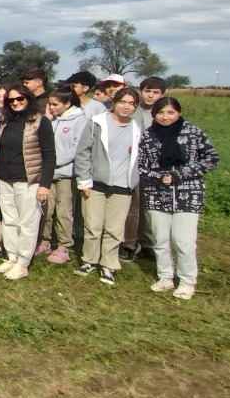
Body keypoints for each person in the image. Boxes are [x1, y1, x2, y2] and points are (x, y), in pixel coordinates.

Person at [138, 97, 219, 300]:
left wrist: (181, 174)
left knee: (183, 241)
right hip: (157, 193)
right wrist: (158, 177)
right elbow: (140, 165)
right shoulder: (148, 136)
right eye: (161, 113)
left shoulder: (193, 132)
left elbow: (211, 158)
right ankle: (165, 276)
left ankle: (187, 281)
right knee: (160, 238)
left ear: (179, 113)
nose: (165, 117)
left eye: (170, 113)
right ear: (154, 114)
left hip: (188, 193)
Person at [0, 84, 55, 281]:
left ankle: (23, 262)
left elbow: (49, 155)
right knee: (9, 220)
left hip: (28, 180)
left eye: (19, 99)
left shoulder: (40, 122)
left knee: (27, 222)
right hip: (5, 178)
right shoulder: (5, 120)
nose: (15, 103)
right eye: (11, 100)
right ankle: (11, 257)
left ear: (28, 99)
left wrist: (44, 184)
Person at [73, 87, 141, 286]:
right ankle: (89, 261)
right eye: (123, 102)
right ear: (114, 102)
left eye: (131, 103)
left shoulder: (136, 128)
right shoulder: (97, 123)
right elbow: (83, 152)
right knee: (93, 226)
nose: (126, 107)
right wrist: (84, 180)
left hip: (122, 185)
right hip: (96, 184)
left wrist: (133, 181)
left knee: (114, 229)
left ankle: (108, 265)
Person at [121, 76, 168, 260]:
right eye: (147, 91)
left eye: (155, 92)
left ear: (162, 94)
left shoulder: (165, 113)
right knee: (134, 207)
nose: (150, 95)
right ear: (141, 91)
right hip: (134, 165)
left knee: (152, 208)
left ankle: (149, 242)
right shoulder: (132, 111)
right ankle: (129, 242)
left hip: (158, 168)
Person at [41, 88, 87, 264]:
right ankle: (45, 240)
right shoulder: (51, 121)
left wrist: (52, 161)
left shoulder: (80, 121)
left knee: (64, 210)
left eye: (55, 104)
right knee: (46, 208)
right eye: (49, 104)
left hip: (66, 174)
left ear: (67, 104)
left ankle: (64, 245)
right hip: (48, 173)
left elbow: (76, 149)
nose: (51, 107)